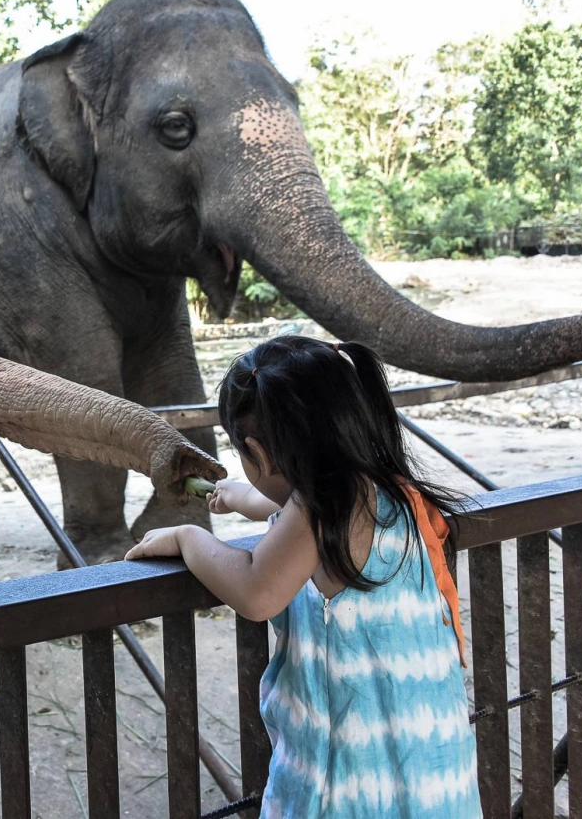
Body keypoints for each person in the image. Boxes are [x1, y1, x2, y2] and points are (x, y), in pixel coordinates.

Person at [126, 335, 479, 818]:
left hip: (352, 784)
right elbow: (282, 502)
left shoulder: (321, 507)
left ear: (259, 453)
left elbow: (257, 590)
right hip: (434, 774)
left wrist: (189, 538)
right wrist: (232, 494)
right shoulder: (387, 492)